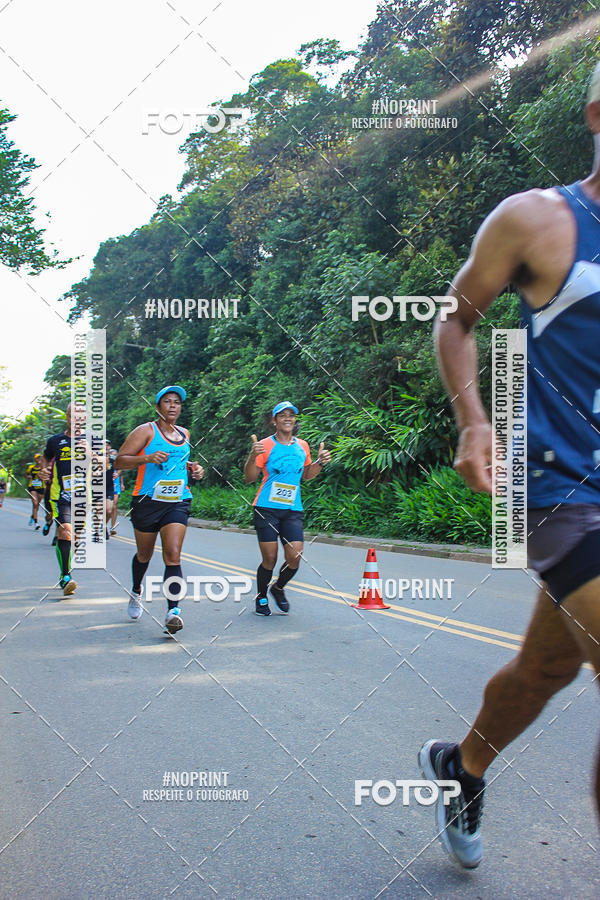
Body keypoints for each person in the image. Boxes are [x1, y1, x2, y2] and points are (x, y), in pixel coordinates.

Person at [419, 62, 600, 870]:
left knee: (545, 667)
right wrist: (472, 421)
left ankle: (464, 767)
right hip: (564, 488)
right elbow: (457, 319)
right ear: (597, 113)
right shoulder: (539, 221)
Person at [115, 386, 204, 633]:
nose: (173, 406)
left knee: (173, 554)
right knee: (144, 555)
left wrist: (194, 469)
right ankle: (136, 591)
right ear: (158, 407)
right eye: (168, 401)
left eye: (177, 402)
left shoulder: (184, 433)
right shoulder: (146, 431)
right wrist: (146, 458)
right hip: (147, 501)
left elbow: (179, 461)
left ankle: (173, 611)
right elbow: (120, 461)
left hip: (178, 499)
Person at [244, 401, 331, 616]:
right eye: (282, 415)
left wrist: (319, 463)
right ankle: (261, 596)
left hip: (293, 508)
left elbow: (306, 475)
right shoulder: (264, 445)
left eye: (291, 415)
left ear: (295, 420)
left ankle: (278, 587)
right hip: (266, 508)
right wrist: (252, 456)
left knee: (295, 556)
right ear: (274, 421)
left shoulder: (302, 445)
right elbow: (249, 478)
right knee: (270, 558)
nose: (287, 418)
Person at [41, 405, 77, 595]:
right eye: (72, 415)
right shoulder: (56, 441)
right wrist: (45, 469)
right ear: (67, 417)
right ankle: (65, 577)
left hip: (84, 496)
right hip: (61, 495)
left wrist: (92, 454)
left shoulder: (92, 440)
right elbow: (46, 458)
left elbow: (104, 463)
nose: (75, 419)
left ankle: (66, 569)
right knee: (65, 532)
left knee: (74, 539)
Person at [26, 454, 45, 529]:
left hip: (41, 487)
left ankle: (33, 515)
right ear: (35, 460)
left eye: (40, 458)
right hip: (32, 487)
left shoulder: (43, 468)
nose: (39, 460)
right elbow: (27, 475)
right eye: (37, 458)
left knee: (37, 505)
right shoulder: (31, 467)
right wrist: (30, 477)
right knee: (35, 503)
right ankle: (36, 523)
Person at [110, 449, 123, 534]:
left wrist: (122, 484)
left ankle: (113, 527)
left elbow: (120, 473)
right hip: (107, 486)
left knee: (114, 506)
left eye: (115, 454)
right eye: (111, 454)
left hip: (116, 486)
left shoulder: (119, 464)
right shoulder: (105, 462)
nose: (113, 456)